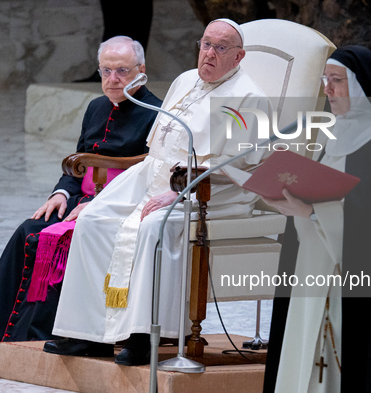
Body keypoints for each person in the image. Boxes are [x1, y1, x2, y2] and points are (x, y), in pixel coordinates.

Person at [43, 19, 270, 365]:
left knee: (153, 226)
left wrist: (183, 191)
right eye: (205, 44)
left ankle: (144, 336)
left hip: (211, 192)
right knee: (93, 217)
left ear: (238, 57)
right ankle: (87, 333)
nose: (209, 53)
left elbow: (241, 166)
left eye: (220, 48)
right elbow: (157, 151)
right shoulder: (184, 80)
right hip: (158, 176)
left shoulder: (250, 97)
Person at [0, 36, 162, 358]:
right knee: (27, 231)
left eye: (122, 71)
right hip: (82, 201)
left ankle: (35, 337)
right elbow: (80, 160)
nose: (113, 79)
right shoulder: (96, 107)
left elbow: (147, 174)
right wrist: (62, 192)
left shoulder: (156, 113)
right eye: (106, 71)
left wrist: (99, 203)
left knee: (54, 242)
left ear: (141, 71)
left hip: (115, 208)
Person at [262, 46, 371, 392]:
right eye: (325, 79)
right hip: (315, 262)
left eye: (337, 80)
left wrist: (311, 213)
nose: (328, 88)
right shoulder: (335, 133)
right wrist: (294, 207)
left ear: (360, 86)